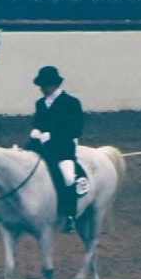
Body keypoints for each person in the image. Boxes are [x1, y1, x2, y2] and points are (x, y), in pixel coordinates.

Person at [26, 66, 89, 233]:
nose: (41, 89)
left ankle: (69, 216)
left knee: (68, 178)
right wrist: (36, 131)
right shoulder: (40, 104)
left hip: (63, 149)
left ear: (53, 84)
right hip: (41, 148)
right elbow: (38, 123)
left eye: (44, 85)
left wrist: (52, 135)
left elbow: (75, 129)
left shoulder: (71, 103)